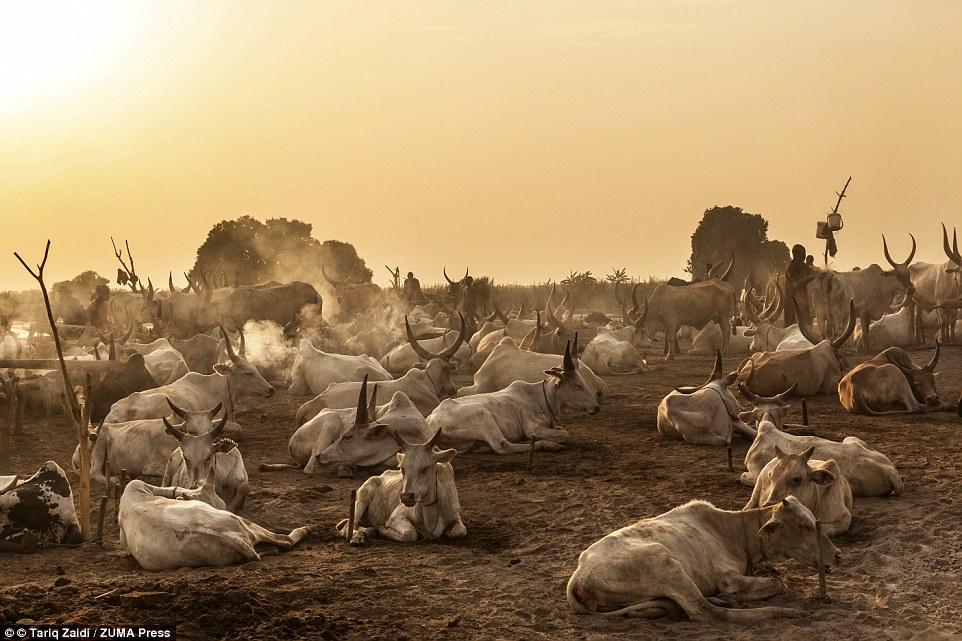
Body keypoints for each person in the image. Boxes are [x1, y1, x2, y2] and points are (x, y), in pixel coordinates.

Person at [785, 244, 819, 325]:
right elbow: (796, 283)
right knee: (793, 328)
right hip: (792, 303)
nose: (804, 256)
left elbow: (812, 272)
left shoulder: (803, 266)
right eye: (803, 254)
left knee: (807, 325)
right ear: (796, 255)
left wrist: (822, 272)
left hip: (803, 302)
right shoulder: (791, 267)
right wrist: (811, 277)